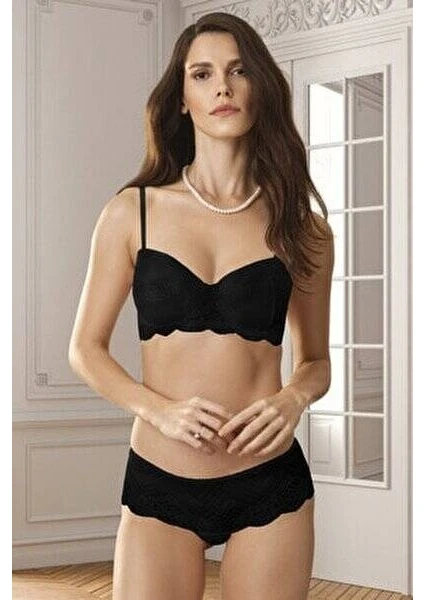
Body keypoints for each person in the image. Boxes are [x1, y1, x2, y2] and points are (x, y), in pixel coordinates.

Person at [68, 11, 334, 600]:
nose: (222, 87)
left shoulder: (303, 228)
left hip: (269, 480)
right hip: (160, 479)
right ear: (182, 100)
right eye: (203, 74)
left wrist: (293, 398)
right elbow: (85, 349)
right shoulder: (132, 213)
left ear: (260, 87)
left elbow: (316, 361)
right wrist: (159, 411)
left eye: (239, 71)